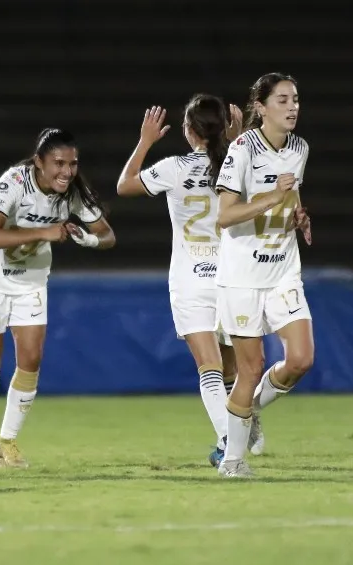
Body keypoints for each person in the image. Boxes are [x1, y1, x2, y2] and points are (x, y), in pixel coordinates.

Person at [0, 128, 116, 469]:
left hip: (30, 280)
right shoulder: (14, 182)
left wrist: (90, 241)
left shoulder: (74, 191)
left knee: (30, 360)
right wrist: (45, 232)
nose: (66, 171)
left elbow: (108, 235)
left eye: (72, 164)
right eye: (58, 163)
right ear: (39, 162)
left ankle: (7, 441)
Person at [116, 96, 250, 466]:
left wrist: (145, 141)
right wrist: (238, 137)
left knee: (209, 367)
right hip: (232, 276)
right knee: (233, 368)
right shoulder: (239, 163)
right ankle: (238, 430)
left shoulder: (175, 167)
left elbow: (124, 185)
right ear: (223, 127)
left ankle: (230, 441)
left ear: (189, 131)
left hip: (191, 279)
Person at [214, 73, 313, 478]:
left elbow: (293, 197)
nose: (293, 107)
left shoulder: (300, 148)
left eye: (295, 99)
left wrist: (298, 215)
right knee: (249, 368)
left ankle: (250, 408)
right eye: (283, 100)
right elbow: (224, 216)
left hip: (284, 271)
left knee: (302, 358)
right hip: (241, 277)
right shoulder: (242, 150)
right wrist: (272, 196)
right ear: (261, 107)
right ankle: (232, 461)